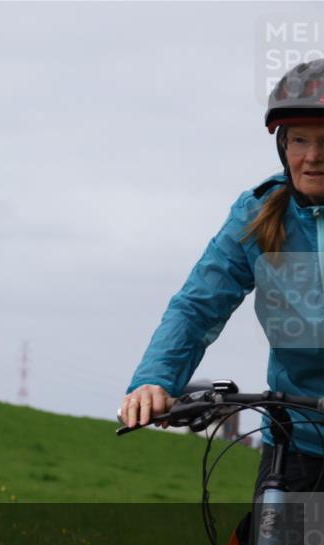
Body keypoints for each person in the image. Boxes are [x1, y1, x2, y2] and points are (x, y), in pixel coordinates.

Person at [120, 59, 324, 492]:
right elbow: (197, 305)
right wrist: (154, 380)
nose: (312, 156)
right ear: (282, 147)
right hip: (297, 439)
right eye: (300, 140)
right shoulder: (258, 213)